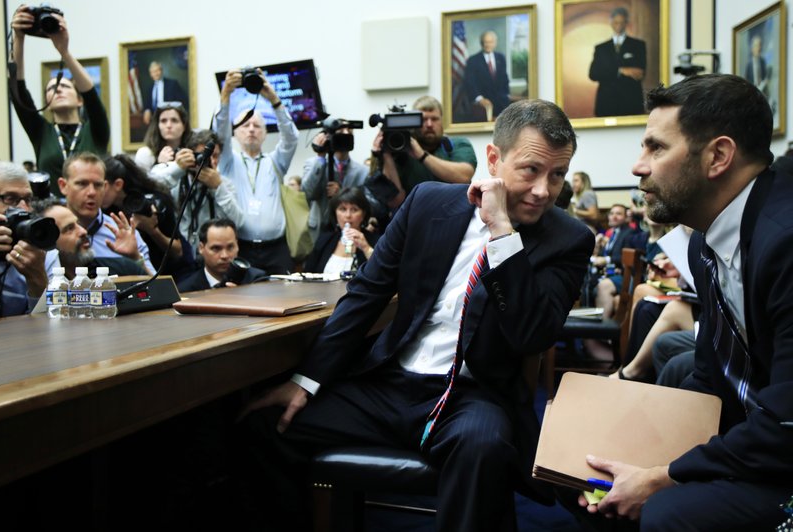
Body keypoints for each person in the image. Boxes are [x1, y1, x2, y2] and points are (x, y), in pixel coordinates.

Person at [239, 99, 594, 531]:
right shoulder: (428, 203)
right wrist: (306, 381)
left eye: (557, 175)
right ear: (495, 160)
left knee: (484, 446)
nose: (544, 190)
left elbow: (530, 335)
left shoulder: (569, 239)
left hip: (470, 395)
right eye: (531, 170)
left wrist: (502, 232)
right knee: (263, 424)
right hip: (389, 383)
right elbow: (367, 292)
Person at [569, 74, 793, 530]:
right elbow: (711, 378)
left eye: (656, 148)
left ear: (718, 156)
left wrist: (664, 476)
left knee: (663, 513)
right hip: (760, 440)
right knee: (592, 477)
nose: (637, 166)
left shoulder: (785, 241)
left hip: (783, 455)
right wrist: (635, 443)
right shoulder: (702, 242)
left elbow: (785, 422)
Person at [9, 6, 109, 196]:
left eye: (65, 86)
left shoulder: (95, 130)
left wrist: (64, 52)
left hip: (90, 211)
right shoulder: (41, 131)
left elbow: (91, 96)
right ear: (47, 100)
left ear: (79, 101)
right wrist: (19, 38)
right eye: (51, 88)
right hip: (51, 213)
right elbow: (17, 91)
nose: (58, 90)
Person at [215, 68, 299, 274]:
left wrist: (274, 100)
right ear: (235, 133)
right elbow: (220, 134)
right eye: (245, 125)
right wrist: (225, 95)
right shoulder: (228, 160)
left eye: (257, 126)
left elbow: (291, 139)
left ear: (264, 134)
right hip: (242, 248)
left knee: (284, 299)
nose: (251, 129)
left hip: (276, 249)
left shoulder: (275, 162)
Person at [57, 152, 155, 275]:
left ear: (105, 187)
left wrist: (135, 259)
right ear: (63, 185)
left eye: (98, 185)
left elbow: (156, 288)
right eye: (82, 184)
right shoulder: (51, 233)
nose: (91, 192)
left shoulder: (125, 234)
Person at [102, 154, 195, 280]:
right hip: (131, 274)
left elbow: (177, 251)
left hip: (172, 274)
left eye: (100, 185)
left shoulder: (153, 202)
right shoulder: (105, 209)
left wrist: (152, 230)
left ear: (118, 185)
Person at [374, 96, 477, 209]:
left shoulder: (456, 144)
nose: (429, 124)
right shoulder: (400, 150)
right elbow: (395, 201)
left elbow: (464, 176)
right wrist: (386, 154)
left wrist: (422, 155)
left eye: (434, 119)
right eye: (423, 119)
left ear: (442, 120)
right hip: (414, 220)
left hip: (454, 217)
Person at [150, 129, 244, 252]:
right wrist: (177, 168)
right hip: (179, 252)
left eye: (215, 156)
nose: (211, 162)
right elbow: (149, 186)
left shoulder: (224, 184)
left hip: (210, 254)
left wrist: (218, 188)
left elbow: (238, 222)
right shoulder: (176, 177)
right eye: (204, 156)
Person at [0, 162, 47, 317]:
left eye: (28, 199)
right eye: (10, 198)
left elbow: (53, 321)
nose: (23, 208)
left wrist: (38, 278)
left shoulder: (41, 248)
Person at [38, 200, 147, 278]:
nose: (83, 231)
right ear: (47, 242)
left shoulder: (120, 268)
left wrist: (136, 257)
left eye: (78, 224)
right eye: (69, 228)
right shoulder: (42, 285)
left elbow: (156, 292)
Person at [301, 124, 372, 241]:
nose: (344, 135)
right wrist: (321, 157)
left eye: (349, 131)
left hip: (350, 228)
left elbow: (367, 205)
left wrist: (342, 193)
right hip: (319, 228)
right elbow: (307, 194)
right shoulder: (314, 164)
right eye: (340, 131)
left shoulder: (363, 171)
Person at [176, 219, 267, 292]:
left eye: (230, 247)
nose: (224, 255)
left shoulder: (257, 281)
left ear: (237, 245)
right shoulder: (186, 290)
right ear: (201, 248)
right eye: (216, 248)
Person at [303, 187, 378, 274]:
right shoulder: (325, 240)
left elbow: (381, 274)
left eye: (354, 210)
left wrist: (366, 248)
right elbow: (307, 274)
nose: (348, 215)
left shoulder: (375, 242)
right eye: (343, 209)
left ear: (363, 214)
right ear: (335, 213)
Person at [588, 7, 647, 117]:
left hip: (631, 103)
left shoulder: (638, 45)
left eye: (622, 22)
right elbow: (593, 74)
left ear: (626, 23)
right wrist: (621, 70)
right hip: (606, 103)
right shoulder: (601, 48)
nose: (618, 25)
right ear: (611, 22)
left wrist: (607, 70)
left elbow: (640, 74)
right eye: (616, 22)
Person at [463, 30, 511, 119]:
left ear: (495, 43)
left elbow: (505, 79)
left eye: (490, 42)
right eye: (485, 42)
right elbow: (470, 83)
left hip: (502, 102)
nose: (488, 45)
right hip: (483, 105)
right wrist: (479, 99)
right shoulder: (473, 60)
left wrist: (506, 95)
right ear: (481, 43)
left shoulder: (501, 58)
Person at [134, 103, 193, 174]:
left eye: (174, 120)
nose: (168, 125)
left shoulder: (192, 151)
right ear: (157, 126)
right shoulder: (145, 154)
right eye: (163, 121)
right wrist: (160, 166)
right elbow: (141, 184)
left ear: (184, 126)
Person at [142, 61, 188, 126]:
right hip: (154, 121)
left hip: (170, 121)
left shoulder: (172, 84)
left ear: (161, 71)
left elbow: (182, 102)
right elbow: (148, 104)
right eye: (153, 72)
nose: (156, 74)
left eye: (157, 70)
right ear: (151, 74)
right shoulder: (150, 88)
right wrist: (147, 110)